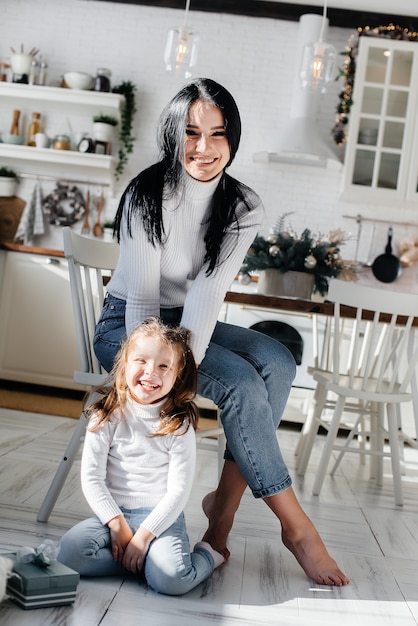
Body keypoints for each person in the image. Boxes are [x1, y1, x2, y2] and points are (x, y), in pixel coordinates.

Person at [93, 77, 349, 586]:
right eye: (190, 132)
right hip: (129, 328)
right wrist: (161, 370)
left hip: (186, 317)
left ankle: (223, 509)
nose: (204, 148)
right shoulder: (148, 194)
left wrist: (184, 353)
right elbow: (144, 303)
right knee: (241, 383)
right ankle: (295, 527)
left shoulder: (242, 205)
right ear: (172, 135)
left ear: (234, 135)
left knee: (278, 361)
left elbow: (207, 296)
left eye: (218, 133)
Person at [58, 317, 225, 596]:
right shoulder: (105, 416)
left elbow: (178, 493)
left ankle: (209, 555)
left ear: (177, 376)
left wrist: (145, 536)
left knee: (172, 580)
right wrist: (116, 524)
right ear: (125, 364)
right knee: (70, 554)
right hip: (112, 516)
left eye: (164, 366)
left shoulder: (179, 425)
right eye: (141, 361)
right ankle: (142, 562)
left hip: (161, 518)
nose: (151, 373)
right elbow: (92, 479)